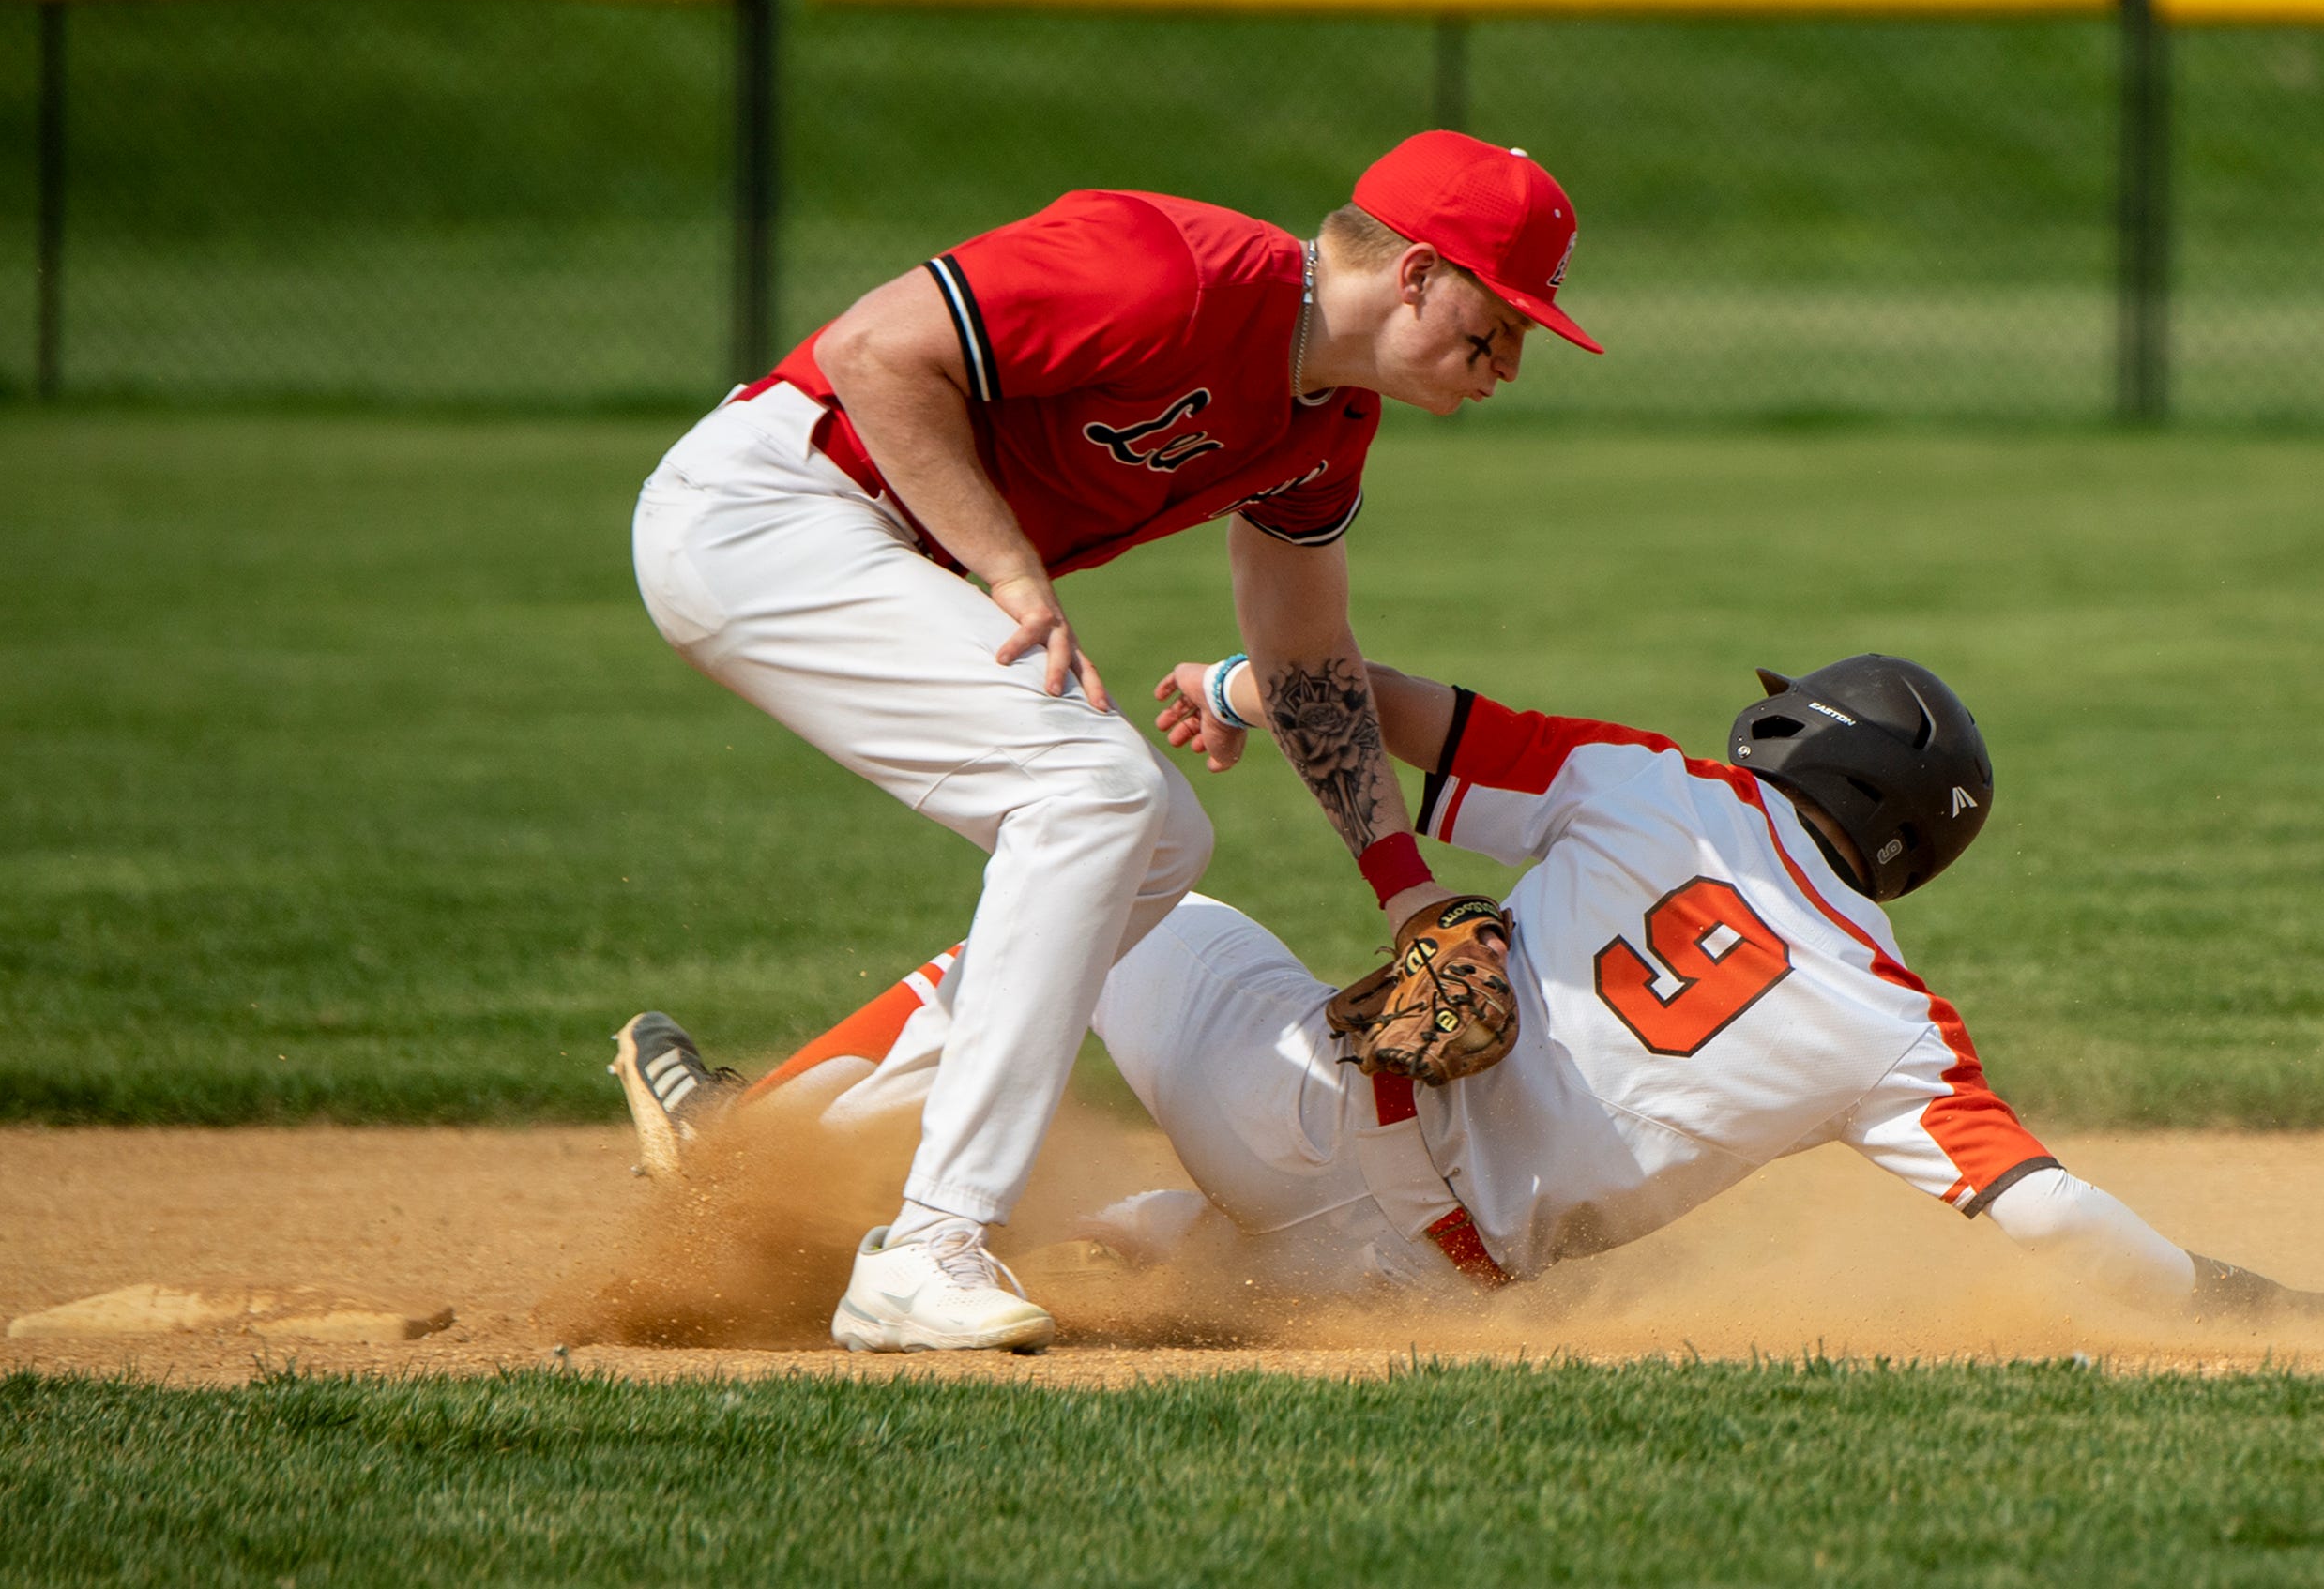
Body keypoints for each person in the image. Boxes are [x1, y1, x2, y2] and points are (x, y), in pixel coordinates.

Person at [622, 654, 2324, 1343]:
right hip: (1414, 1280)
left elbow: (1380, 706)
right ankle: (964, 1257)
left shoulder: (1665, 782)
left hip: (1314, 1119)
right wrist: (2256, 1303)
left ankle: (760, 1142)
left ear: (1799, 740)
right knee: (1174, 1240)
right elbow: (2053, 1216)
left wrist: (1235, 685)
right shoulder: (1901, 1023)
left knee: (1093, 881)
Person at [620, 132, 1603, 1353]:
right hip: (764, 510)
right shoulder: (1174, 269)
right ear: (1414, 272)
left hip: (853, 542)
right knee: (1088, 791)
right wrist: (1006, 570)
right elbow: (872, 353)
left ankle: (779, 1143)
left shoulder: (1327, 421)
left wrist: (1402, 888)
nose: (1509, 358)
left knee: (1155, 836)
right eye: (1498, 319)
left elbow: (1304, 654)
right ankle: (929, 1249)